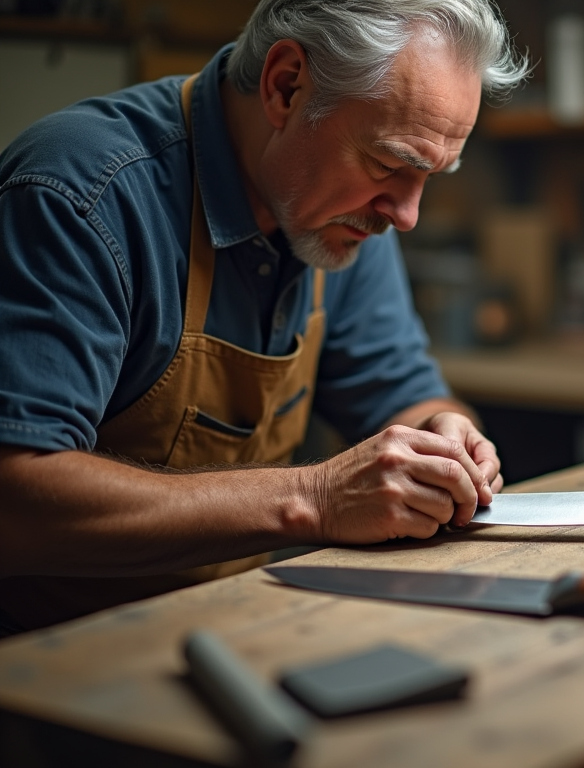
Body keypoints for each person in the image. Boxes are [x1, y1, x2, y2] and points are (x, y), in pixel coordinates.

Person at [0, 0, 530, 635]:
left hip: (237, 631)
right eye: (390, 165)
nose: (407, 215)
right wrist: (314, 499)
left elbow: (404, 393)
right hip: (51, 667)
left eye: (430, 176)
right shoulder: (82, 196)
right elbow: (16, 504)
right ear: (286, 86)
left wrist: (447, 443)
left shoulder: (345, 218)